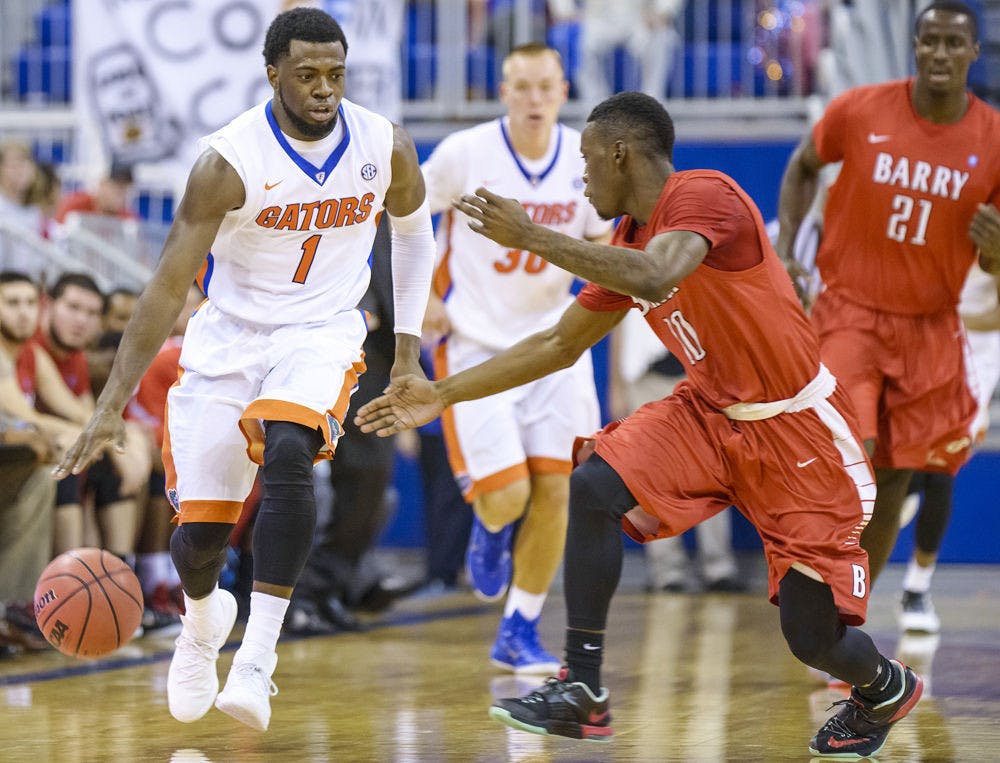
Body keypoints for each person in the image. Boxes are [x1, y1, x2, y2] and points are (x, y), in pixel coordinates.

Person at [357, 91, 924, 759]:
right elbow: (558, 345)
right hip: (710, 414)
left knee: (813, 637)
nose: (582, 176)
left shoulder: (704, 195)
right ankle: (583, 689)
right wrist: (441, 392)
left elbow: (658, 274)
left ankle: (885, 685)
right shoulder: (625, 241)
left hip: (798, 432)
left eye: (589, 160)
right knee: (595, 483)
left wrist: (534, 237)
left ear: (622, 153)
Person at [54, 6, 435, 733]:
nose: (324, 88)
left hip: (320, 332)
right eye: (307, 74)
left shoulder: (384, 144)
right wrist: (110, 403)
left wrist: (410, 348)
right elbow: (167, 285)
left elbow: (413, 232)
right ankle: (203, 625)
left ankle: (257, 657)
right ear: (273, 73)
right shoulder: (227, 161)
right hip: (229, 339)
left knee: (291, 451)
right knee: (199, 539)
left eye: (335, 73)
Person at [776, 1, 1000, 588]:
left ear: (974, 53)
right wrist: (787, 254)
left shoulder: (994, 140)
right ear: (915, 46)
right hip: (850, 311)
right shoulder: (859, 109)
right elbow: (803, 167)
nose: (940, 54)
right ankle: (814, 586)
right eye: (930, 42)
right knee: (855, 455)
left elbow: (995, 262)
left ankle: (850, 614)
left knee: (899, 474)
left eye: (955, 44)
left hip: (930, 323)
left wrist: (997, 250)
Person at [419, 42, 611, 673]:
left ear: (563, 91)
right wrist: (419, 296)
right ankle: (492, 525)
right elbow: (403, 214)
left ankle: (519, 629)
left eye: (545, 88)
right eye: (521, 87)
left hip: (557, 347)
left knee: (560, 490)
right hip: (477, 345)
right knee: (508, 496)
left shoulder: (587, 159)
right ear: (503, 92)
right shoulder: (464, 153)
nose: (534, 100)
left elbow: (607, 242)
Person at [896, 262, 1000, 633]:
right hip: (924, 344)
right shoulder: (941, 213)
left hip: (976, 354)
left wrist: (947, 315)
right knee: (906, 466)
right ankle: (902, 495)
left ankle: (916, 590)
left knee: (941, 470)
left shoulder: (991, 225)